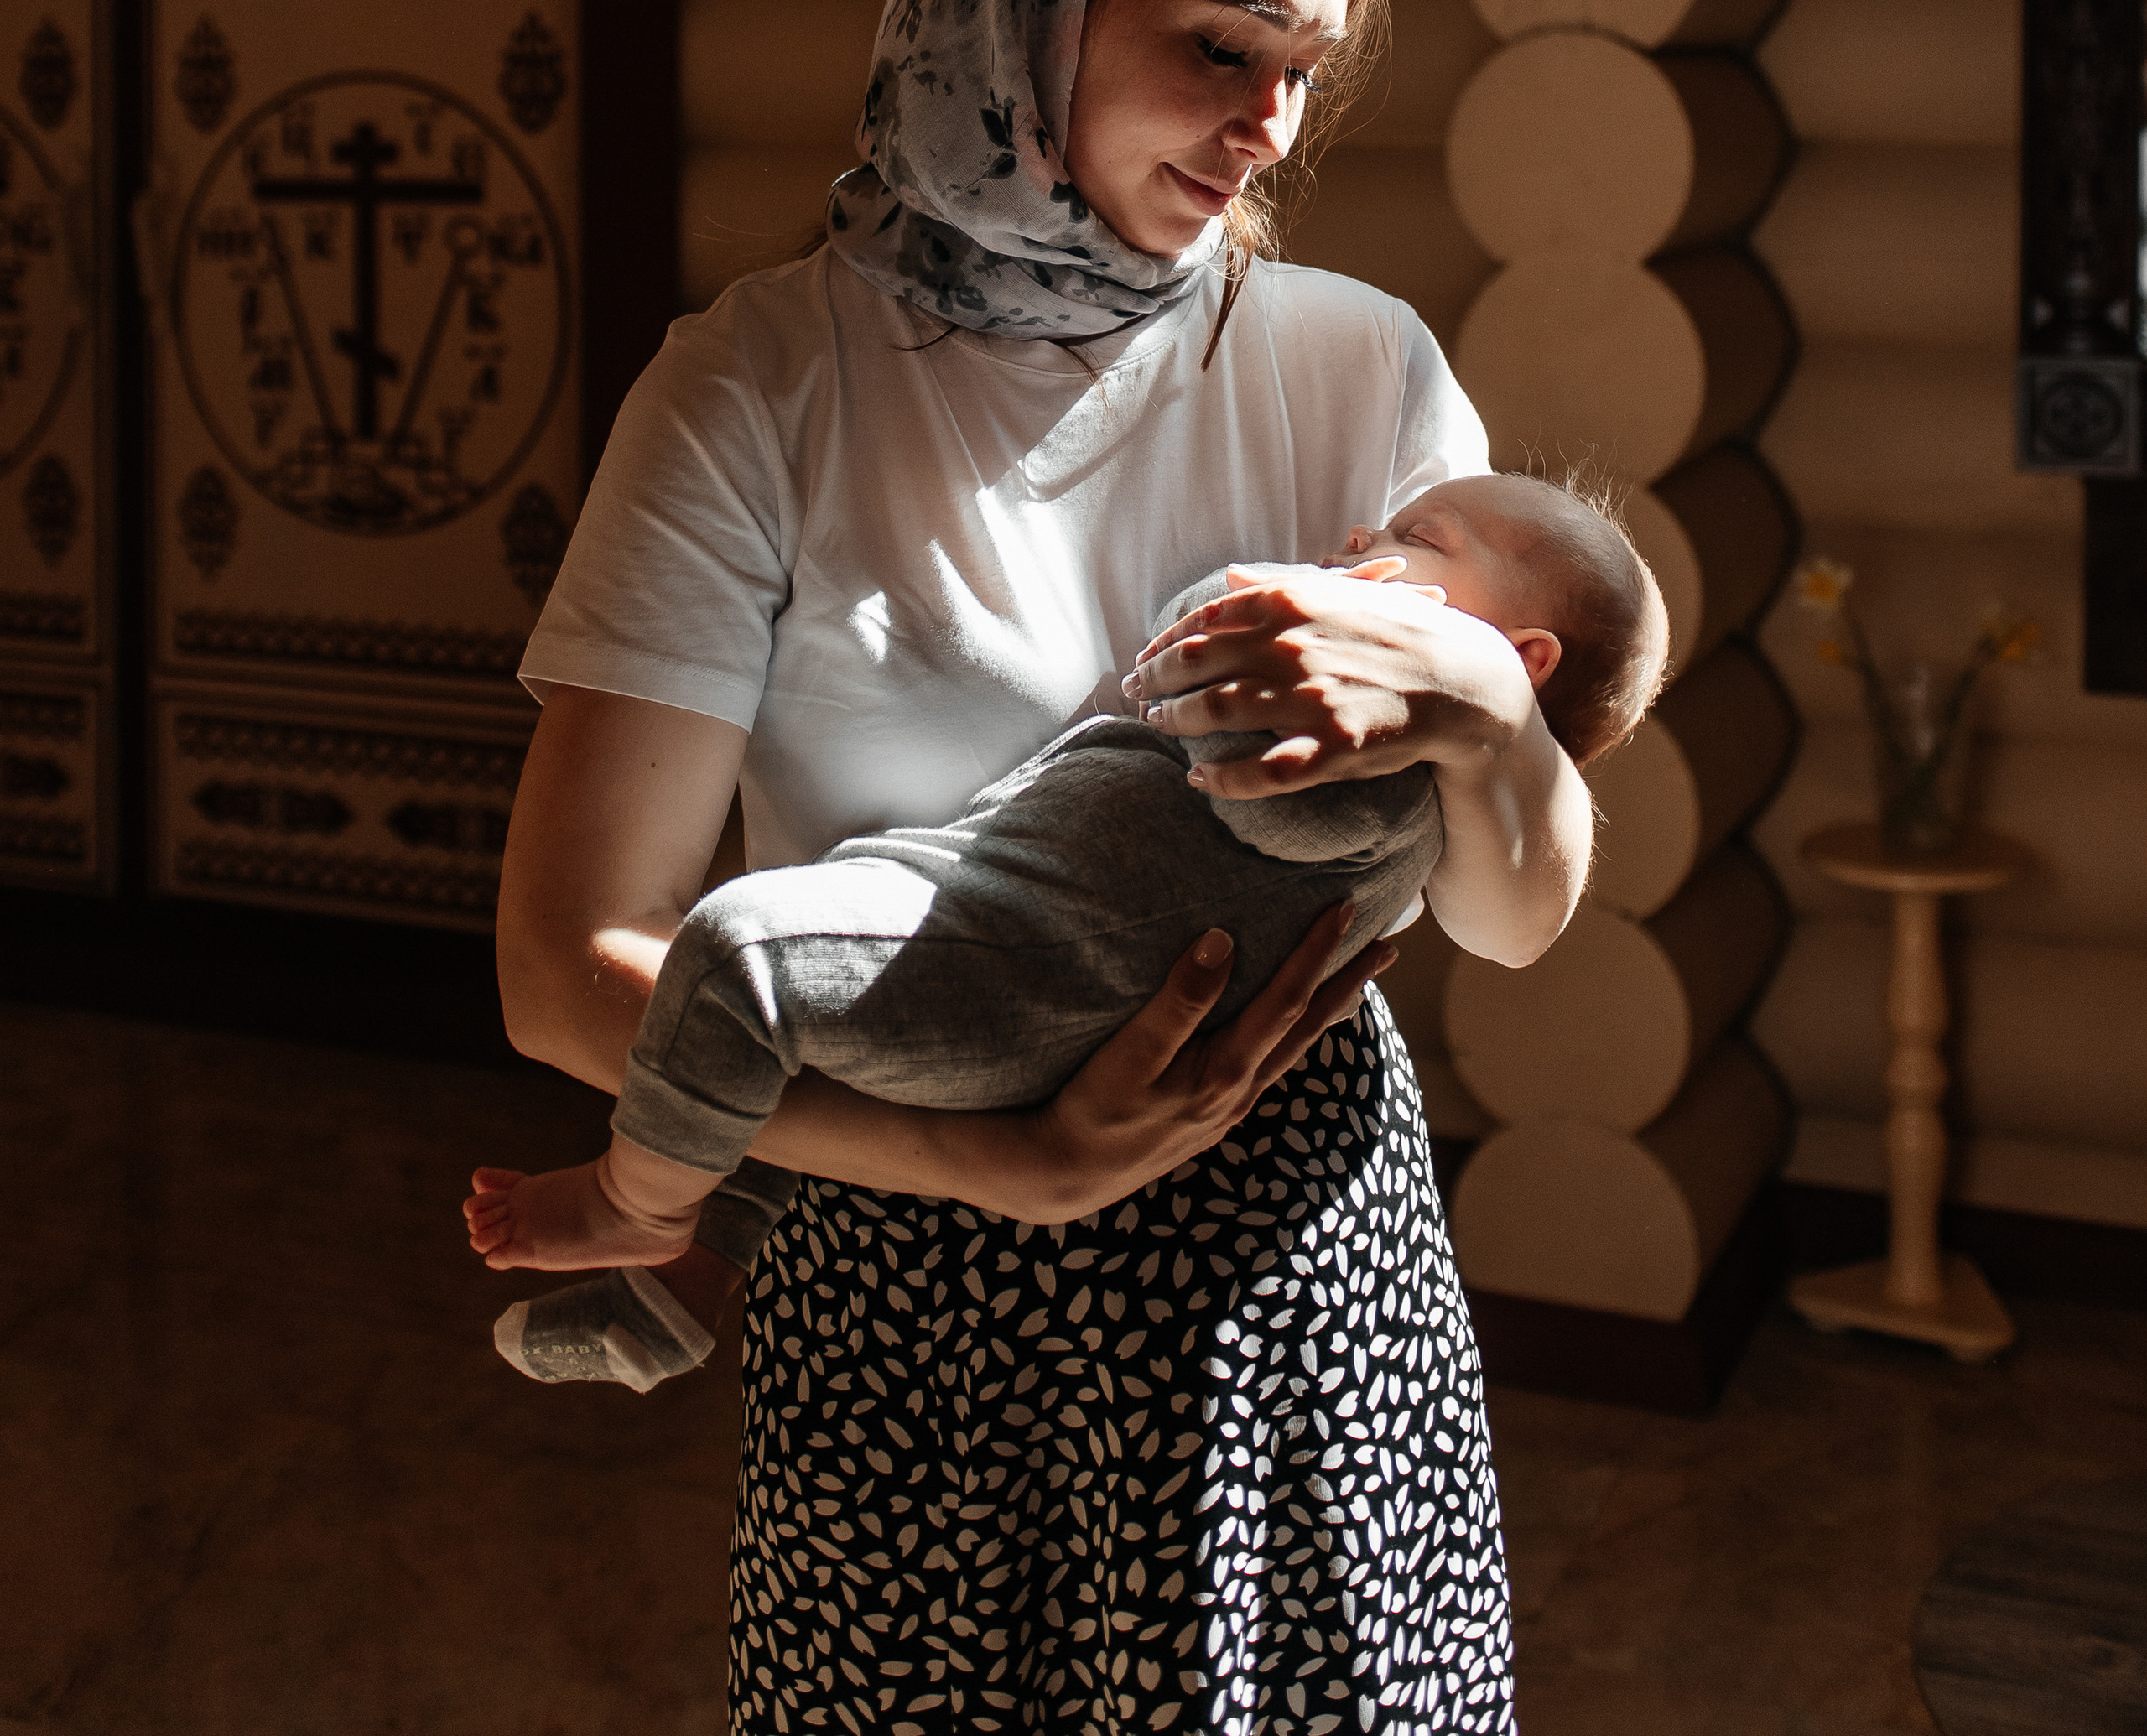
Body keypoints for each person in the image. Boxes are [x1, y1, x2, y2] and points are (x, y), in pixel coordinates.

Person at [495, 0, 1596, 1733]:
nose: (1267, 126)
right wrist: (992, 1164)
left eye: (1304, 73)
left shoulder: (1355, 370)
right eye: (1219, 47)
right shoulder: (756, 391)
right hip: (904, 1295)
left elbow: (1516, 921)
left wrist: (1477, 717)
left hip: (1298, 1301)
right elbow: (575, 982)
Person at [469, 469, 1667, 1400]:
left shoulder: (1378, 758)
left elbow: (1257, 747)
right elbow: (556, 966)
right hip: (1002, 989)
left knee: (739, 962)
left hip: (1082, 1030)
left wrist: (1484, 717)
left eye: (1418, 540)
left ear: (1517, 655)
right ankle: (687, 1281)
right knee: (803, 1024)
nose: (1360, 541)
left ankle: (642, 1200)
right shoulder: (751, 378)